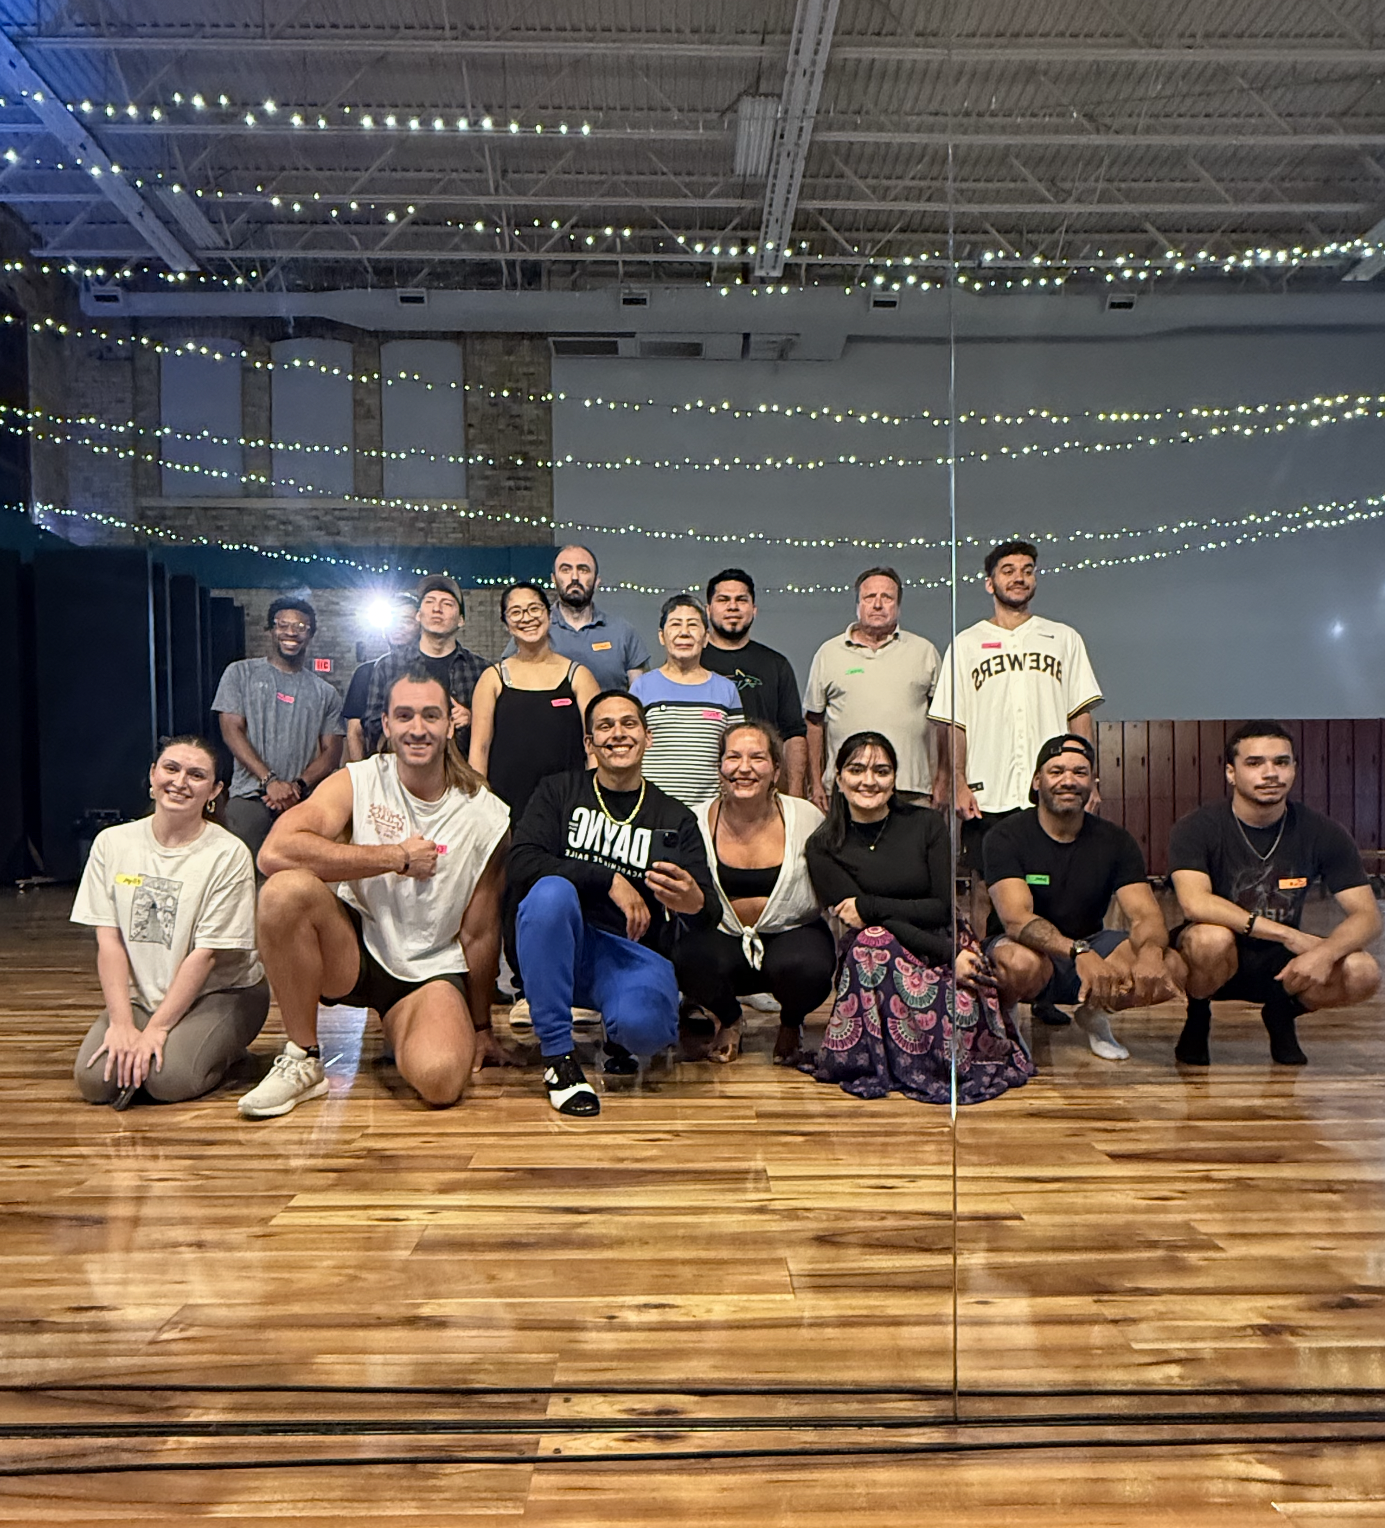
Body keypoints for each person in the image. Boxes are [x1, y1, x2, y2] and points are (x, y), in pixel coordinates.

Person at [239, 667, 511, 1119]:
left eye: (430, 716)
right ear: (386, 724)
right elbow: (274, 852)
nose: (417, 728)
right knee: (284, 891)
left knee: (441, 1081)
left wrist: (481, 1025)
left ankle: (403, 1021)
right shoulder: (359, 780)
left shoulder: (486, 815)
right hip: (353, 951)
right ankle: (303, 1057)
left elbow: (481, 933)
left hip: (428, 967)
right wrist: (393, 857)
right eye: (404, 716)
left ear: (450, 723)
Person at [508, 689, 717, 1117]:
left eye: (628, 724)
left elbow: (708, 909)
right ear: (589, 743)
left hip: (631, 953)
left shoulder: (675, 816)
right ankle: (559, 1057)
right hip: (562, 943)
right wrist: (609, 879)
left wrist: (692, 899)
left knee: (646, 1031)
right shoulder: (558, 791)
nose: (617, 734)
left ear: (647, 737)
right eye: (605, 726)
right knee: (551, 892)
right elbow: (522, 862)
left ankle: (620, 1028)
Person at [803, 732, 1032, 1105]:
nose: (869, 781)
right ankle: (881, 1062)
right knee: (871, 943)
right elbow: (862, 923)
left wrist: (873, 907)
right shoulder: (823, 845)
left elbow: (940, 908)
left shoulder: (927, 825)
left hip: (942, 935)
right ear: (838, 779)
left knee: (954, 1008)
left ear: (895, 779)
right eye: (856, 770)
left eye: (881, 770)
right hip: (881, 955)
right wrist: (945, 955)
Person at [1169, 720, 1381, 1067]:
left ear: (1295, 768)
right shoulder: (1197, 827)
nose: (1270, 773)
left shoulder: (1323, 831)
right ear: (1231, 773)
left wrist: (1325, 954)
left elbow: (1368, 916)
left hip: (1283, 963)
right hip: (1217, 959)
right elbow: (1195, 903)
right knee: (1209, 939)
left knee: (1363, 971)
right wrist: (1289, 934)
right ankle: (1197, 1014)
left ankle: (1281, 1014)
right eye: (1255, 763)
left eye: (1281, 762)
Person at [71, 735, 269, 1105]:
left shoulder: (228, 854)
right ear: (152, 775)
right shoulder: (112, 844)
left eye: (196, 775)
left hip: (221, 993)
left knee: (168, 1080)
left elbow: (205, 955)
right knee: (96, 1081)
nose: (180, 782)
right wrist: (121, 1024)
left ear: (215, 790)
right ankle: (158, 1034)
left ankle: (225, 1050)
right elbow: (109, 942)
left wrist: (157, 1029)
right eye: (171, 768)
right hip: (143, 993)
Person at [930, 540, 1103, 950]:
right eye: (1008, 570)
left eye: (1027, 569)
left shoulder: (1063, 638)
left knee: (1052, 889)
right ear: (990, 583)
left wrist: (1089, 778)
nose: (1019, 577)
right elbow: (955, 721)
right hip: (989, 790)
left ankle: (1046, 985)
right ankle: (985, 979)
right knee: (985, 888)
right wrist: (957, 778)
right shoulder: (967, 643)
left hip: (1052, 788)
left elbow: (1079, 714)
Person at [983, 734, 1185, 1062]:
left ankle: (1095, 1012)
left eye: (1079, 772)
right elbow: (1016, 919)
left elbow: (1145, 915)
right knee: (1018, 964)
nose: (1068, 781)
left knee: (1172, 965)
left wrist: (1150, 953)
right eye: (1056, 771)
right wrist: (1077, 951)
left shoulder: (1116, 841)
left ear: (1093, 782)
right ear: (1037, 782)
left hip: (1090, 942)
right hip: (1026, 947)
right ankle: (1004, 1020)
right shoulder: (1006, 836)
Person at [674, 722, 834, 1065]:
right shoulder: (695, 821)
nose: (743, 768)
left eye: (757, 757)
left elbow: (834, 876)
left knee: (809, 968)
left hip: (791, 936)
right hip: (722, 940)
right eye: (733, 757)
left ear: (776, 770)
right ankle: (729, 1018)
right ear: (720, 767)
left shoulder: (806, 817)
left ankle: (791, 1022)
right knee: (685, 955)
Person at [212, 596, 345, 861]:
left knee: (297, 882)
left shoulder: (326, 693)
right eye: (283, 625)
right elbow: (231, 730)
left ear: (311, 635)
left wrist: (297, 786)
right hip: (249, 797)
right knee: (239, 876)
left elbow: (332, 752)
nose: (291, 632)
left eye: (300, 627)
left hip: (301, 801)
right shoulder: (240, 674)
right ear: (271, 630)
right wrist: (269, 781)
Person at [803, 567, 940, 814]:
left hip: (911, 791)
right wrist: (815, 783)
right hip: (846, 790)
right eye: (869, 597)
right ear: (858, 604)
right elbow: (813, 723)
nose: (878, 604)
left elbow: (942, 724)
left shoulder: (924, 652)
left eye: (887, 597)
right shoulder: (829, 653)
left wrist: (943, 780)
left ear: (898, 605)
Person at [468, 582, 600, 824]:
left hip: (568, 807)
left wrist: (593, 800)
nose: (526, 618)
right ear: (506, 623)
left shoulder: (578, 676)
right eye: (516, 612)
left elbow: (595, 746)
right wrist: (480, 804)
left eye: (534, 609)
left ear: (549, 614)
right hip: (505, 808)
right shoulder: (492, 679)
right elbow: (479, 749)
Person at [702, 568, 808, 798]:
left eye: (741, 600)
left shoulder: (776, 664)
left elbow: (794, 735)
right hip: (704, 792)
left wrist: (797, 795)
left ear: (754, 610)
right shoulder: (693, 663)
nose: (733, 607)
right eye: (723, 600)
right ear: (708, 610)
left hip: (764, 794)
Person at [630, 594, 744, 807]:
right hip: (652, 809)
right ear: (662, 637)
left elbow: (736, 753)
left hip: (709, 810)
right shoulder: (641, 687)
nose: (684, 633)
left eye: (692, 625)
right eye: (675, 624)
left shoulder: (726, 690)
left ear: (706, 637)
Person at [362, 574, 486, 757]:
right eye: (429, 602)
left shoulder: (480, 669)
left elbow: (497, 732)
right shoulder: (389, 666)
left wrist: (471, 718)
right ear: (419, 615)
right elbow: (372, 725)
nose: (437, 609)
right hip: (402, 774)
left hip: (462, 775)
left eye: (447, 604)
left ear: (461, 620)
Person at [504, 543, 650, 691]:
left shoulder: (622, 632)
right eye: (566, 570)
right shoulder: (533, 630)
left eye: (583, 569)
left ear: (597, 580)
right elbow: (508, 682)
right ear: (554, 579)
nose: (574, 577)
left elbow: (639, 698)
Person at [342, 592, 419, 763]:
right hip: (378, 767)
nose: (398, 626)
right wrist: (362, 777)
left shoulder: (429, 670)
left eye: (407, 621)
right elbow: (355, 733)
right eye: (393, 620)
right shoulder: (365, 672)